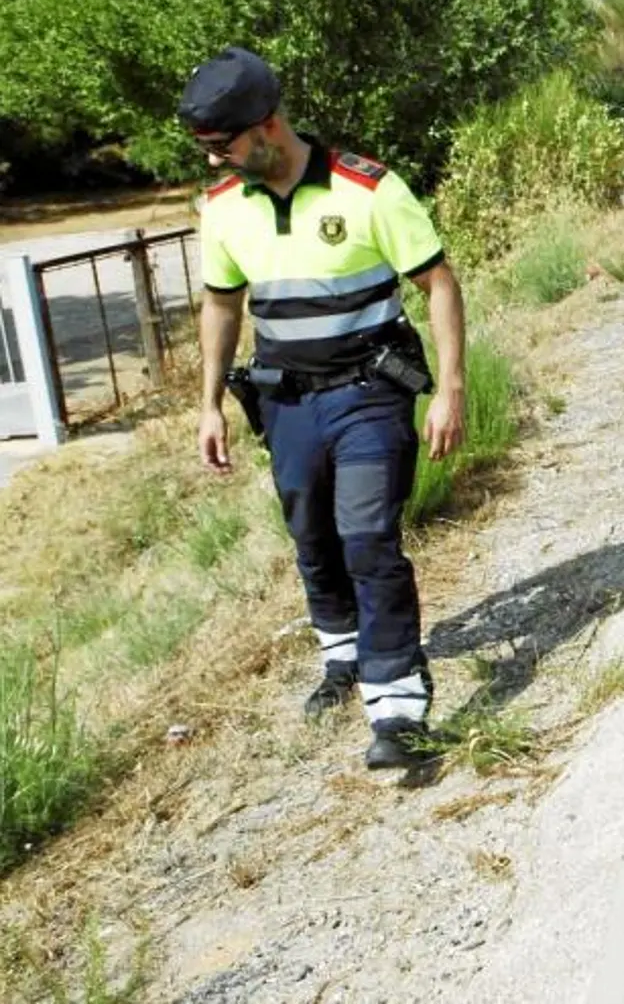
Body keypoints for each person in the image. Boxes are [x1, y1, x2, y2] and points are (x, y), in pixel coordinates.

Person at [180, 46, 467, 771]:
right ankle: (343, 657)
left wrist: (452, 390)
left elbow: (438, 283)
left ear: (267, 126)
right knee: (312, 533)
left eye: (224, 146)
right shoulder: (221, 210)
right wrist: (208, 403)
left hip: (370, 392)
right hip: (287, 403)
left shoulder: (368, 190)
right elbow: (221, 303)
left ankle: (398, 704)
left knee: (367, 535)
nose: (215, 162)